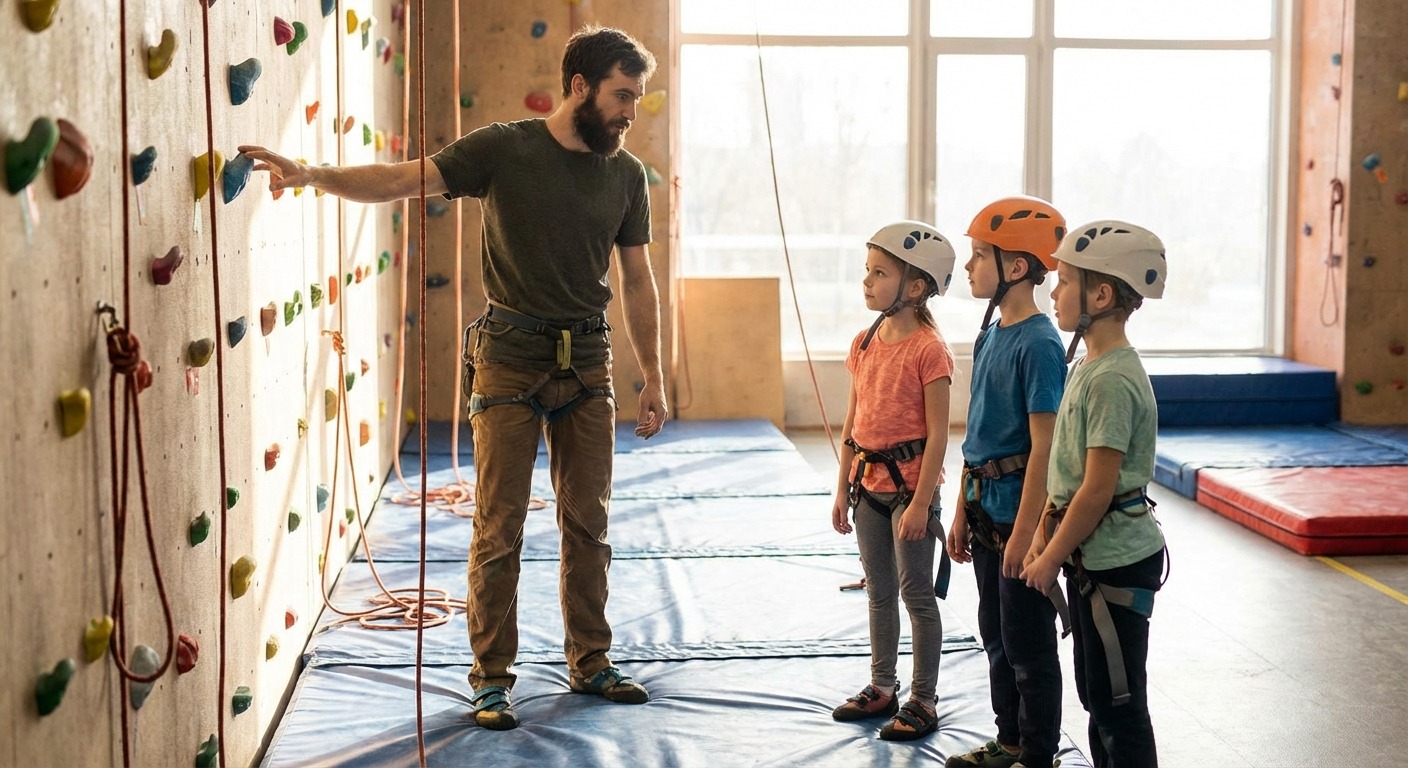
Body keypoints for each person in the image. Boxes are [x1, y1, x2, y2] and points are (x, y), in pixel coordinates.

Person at [239, 25, 667, 731]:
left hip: (589, 361)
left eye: (637, 98)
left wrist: (653, 374)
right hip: (509, 356)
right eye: (622, 95)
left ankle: (590, 660)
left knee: (587, 524)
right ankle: (493, 677)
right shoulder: (504, 149)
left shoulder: (625, 175)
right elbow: (405, 178)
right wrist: (313, 174)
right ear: (581, 86)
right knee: (499, 527)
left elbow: (639, 280)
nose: (629, 111)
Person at [1021, 221, 1169, 766]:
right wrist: (1044, 536)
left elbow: (1097, 489)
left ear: (1101, 295)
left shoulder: (1111, 379)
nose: (1053, 293)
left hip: (1116, 561)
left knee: (1118, 702)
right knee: (1097, 692)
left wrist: (1050, 556)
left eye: (1062, 282)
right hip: (1091, 557)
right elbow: (1065, 475)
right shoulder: (1088, 364)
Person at [946, 197, 1069, 768]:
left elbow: (1044, 447)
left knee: (1028, 644)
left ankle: (1038, 754)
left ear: (1016, 267)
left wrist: (1026, 535)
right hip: (983, 507)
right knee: (994, 634)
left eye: (978, 256)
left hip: (1020, 515)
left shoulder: (1041, 344)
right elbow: (976, 433)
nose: (969, 268)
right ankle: (1010, 738)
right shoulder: (993, 330)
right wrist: (959, 510)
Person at [829, 220, 956, 742]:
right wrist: (841, 488)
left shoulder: (930, 350)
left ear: (916, 286)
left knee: (916, 595)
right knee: (879, 592)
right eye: (867, 271)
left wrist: (923, 503)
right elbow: (852, 422)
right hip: (866, 490)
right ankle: (884, 686)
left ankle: (923, 698)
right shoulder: (864, 342)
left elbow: (940, 435)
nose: (867, 282)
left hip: (910, 493)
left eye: (880, 273)